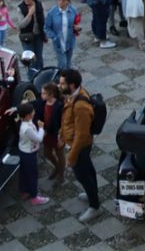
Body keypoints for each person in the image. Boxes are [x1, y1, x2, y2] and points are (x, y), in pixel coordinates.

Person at [58, 69, 101, 223]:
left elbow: (82, 135)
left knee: (83, 175)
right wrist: (63, 136)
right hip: (76, 143)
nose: (59, 85)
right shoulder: (73, 95)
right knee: (88, 170)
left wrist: (72, 155)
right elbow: (67, 120)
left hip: (80, 146)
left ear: (72, 85)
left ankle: (94, 206)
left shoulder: (80, 106)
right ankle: (92, 194)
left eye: (62, 83)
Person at [16, 103, 49, 205]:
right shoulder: (28, 128)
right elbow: (38, 138)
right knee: (32, 174)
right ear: (27, 115)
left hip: (23, 151)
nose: (34, 113)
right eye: (32, 112)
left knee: (24, 173)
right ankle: (34, 197)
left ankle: (24, 191)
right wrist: (41, 128)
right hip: (29, 153)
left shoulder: (25, 122)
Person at [34, 82, 66, 181]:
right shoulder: (42, 102)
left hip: (57, 135)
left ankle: (61, 174)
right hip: (47, 134)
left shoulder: (59, 106)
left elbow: (64, 122)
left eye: (44, 93)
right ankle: (57, 167)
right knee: (47, 153)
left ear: (51, 94)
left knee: (60, 155)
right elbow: (31, 104)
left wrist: (62, 136)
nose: (41, 95)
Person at [45, 0, 80, 70]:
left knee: (68, 62)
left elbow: (76, 21)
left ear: (68, 1)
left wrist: (76, 27)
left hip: (70, 40)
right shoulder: (52, 12)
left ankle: (66, 78)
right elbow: (47, 28)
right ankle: (60, 78)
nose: (61, 2)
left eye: (63, 0)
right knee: (62, 63)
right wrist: (54, 37)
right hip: (59, 41)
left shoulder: (73, 10)